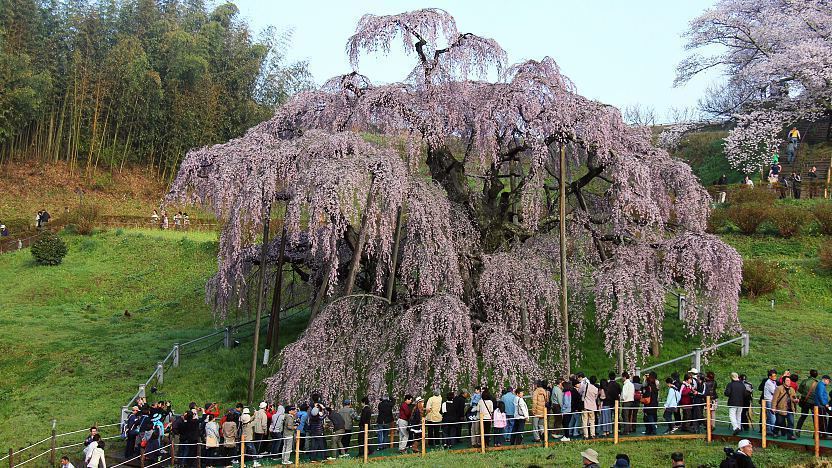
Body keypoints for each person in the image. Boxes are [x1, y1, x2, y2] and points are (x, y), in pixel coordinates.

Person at [771, 375, 798, 440]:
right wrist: (773, 407)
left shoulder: (792, 389)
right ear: (783, 382)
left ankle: (790, 435)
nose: (789, 382)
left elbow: (794, 398)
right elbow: (775, 399)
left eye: (789, 381)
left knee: (791, 422)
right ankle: (775, 432)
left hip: (790, 408)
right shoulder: (779, 388)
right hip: (781, 408)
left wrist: (796, 400)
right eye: (787, 380)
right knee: (779, 421)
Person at [763, 370, 778, 435]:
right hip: (769, 400)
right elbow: (774, 391)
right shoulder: (769, 383)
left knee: (769, 416)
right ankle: (774, 430)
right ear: (770, 376)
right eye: (773, 376)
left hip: (772, 400)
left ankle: (768, 430)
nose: (775, 377)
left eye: (775, 375)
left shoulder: (773, 382)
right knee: (772, 415)